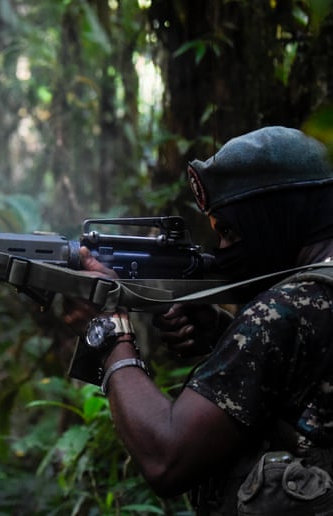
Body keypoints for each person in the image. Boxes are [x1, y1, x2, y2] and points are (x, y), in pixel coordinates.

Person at [68, 126, 333, 515]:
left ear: (277, 213)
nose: (223, 250)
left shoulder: (285, 310)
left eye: (229, 231)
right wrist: (228, 334)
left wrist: (110, 328)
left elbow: (167, 458)